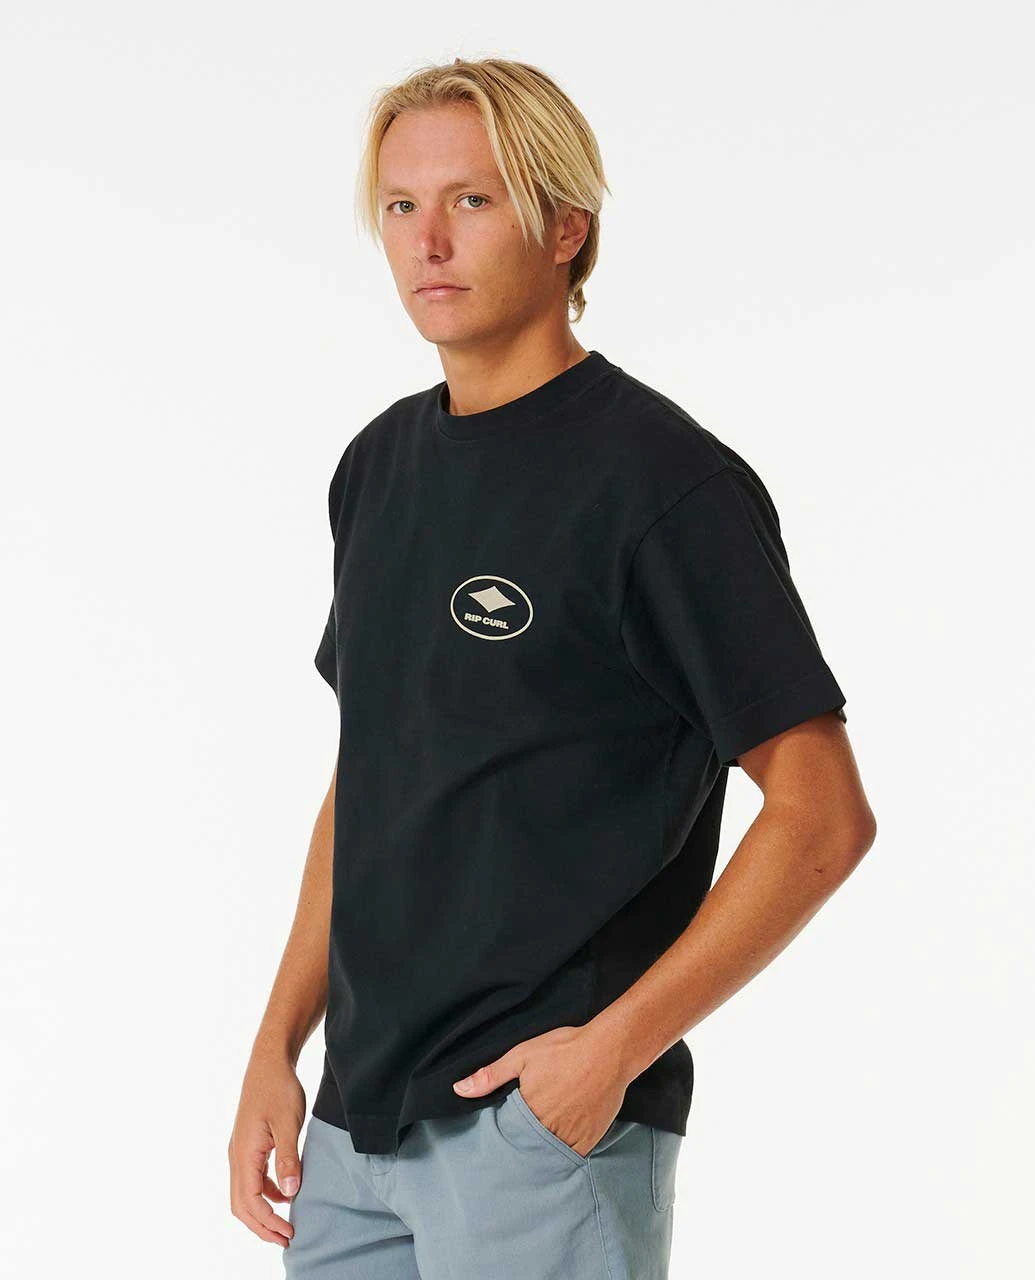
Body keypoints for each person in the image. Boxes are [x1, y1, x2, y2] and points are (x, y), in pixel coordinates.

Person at [227, 56, 876, 1280]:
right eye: (402, 205)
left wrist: (613, 1050)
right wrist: (278, 1044)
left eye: (471, 201)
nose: (428, 241)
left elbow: (823, 813)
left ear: (566, 226)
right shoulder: (377, 469)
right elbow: (372, 777)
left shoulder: (664, 484)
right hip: (356, 1131)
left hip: (536, 1130)